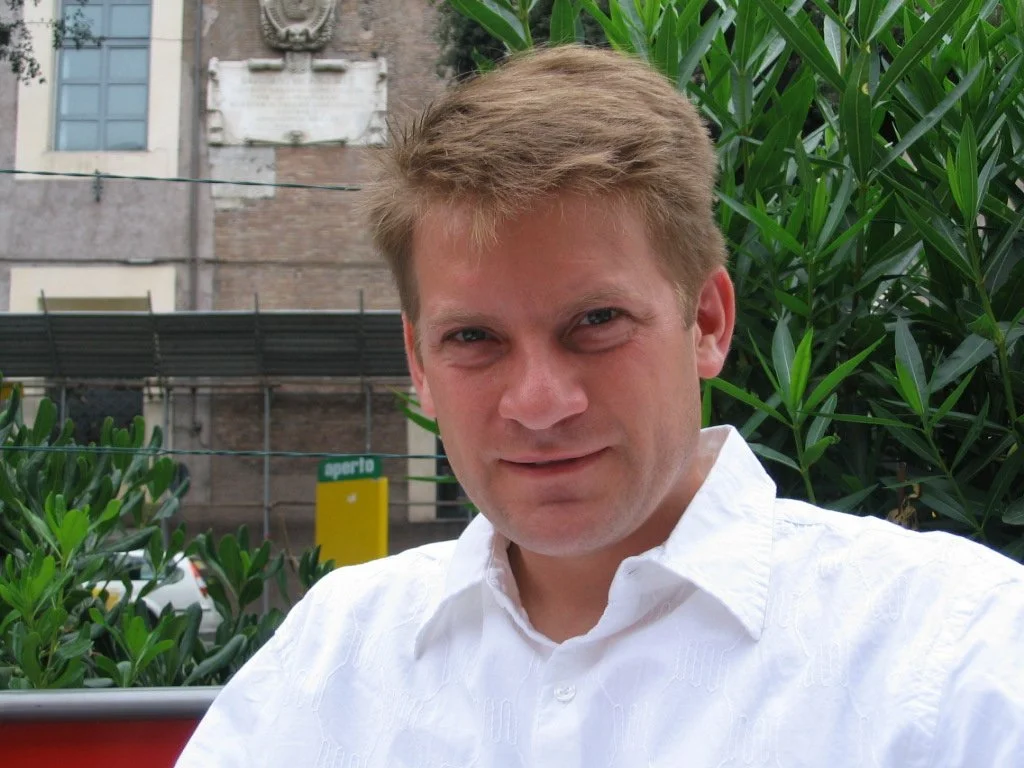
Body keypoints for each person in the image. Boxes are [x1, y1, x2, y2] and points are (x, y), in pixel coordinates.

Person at [176, 45, 1024, 767]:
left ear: (706, 322)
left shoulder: (955, 658)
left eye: (596, 322)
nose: (540, 404)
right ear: (419, 364)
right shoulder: (330, 659)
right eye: (474, 338)